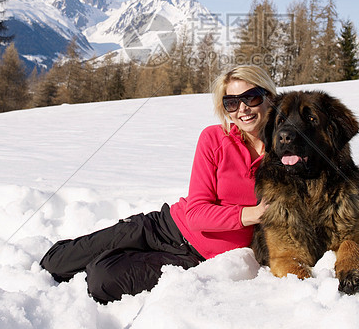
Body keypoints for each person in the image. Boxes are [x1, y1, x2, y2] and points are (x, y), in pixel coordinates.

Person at [40, 65, 277, 304]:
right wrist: (253, 214)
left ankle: (106, 260)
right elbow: (195, 214)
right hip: (162, 227)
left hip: (194, 259)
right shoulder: (214, 138)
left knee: (101, 278)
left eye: (251, 97)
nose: (242, 109)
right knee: (56, 262)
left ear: (269, 96)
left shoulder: (284, 154)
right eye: (232, 103)